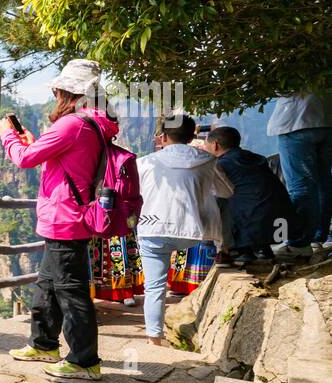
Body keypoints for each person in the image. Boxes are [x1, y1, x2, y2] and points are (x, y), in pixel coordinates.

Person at [0, 59, 115, 381]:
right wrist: (31, 141)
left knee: (70, 289)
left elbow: (23, 160)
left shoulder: (72, 125)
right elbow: (54, 160)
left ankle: (84, 360)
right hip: (66, 216)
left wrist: (8, 137)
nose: (53, 92)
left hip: (66, 217)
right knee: (48, 284)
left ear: (69, 92)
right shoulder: (89, 124)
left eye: (58, 89)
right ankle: (44, 343)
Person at [135, 111, 234, 346]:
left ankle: (154, 340)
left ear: (164, 137)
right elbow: (227, 192)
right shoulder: (208, 161)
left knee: (155, 287)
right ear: (191, 137)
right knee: (216, 221)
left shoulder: (145, 162)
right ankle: (226, 253)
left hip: (153, 230)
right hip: (193, 232)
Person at [204, 125, 294, 264]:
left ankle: (236, 250)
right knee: (247, 197)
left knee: (214, 200)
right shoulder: (256, 159)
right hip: (282, 226)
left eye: (206, 145)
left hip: (252, 226)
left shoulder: (221, 165)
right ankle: (261, 248)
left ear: (215, 145)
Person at [266, 89, 331, 259]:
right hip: (327, 119)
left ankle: (299, 243)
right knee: (324, 183)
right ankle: (320, 238)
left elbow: (278, 88)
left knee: (300, 187)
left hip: (295, 121)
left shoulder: (288, 63)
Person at [87, 113, 143, 306]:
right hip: (119, 212)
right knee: (119, 244)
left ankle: (95, 290)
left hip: (95, 212)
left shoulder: (87, 157)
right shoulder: (123, 157)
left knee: (95, 249)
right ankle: (125, 290)